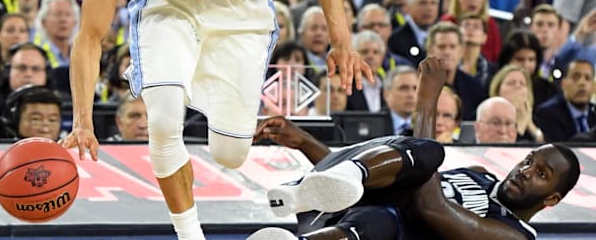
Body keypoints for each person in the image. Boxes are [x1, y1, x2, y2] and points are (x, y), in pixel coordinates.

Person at [60, 0, 372, 240]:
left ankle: (295, 190)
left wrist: (341, 39)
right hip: (166, 11)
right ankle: (189, 234)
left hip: (236, 17)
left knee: (229, 152)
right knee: (162, 118)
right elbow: (89, 36)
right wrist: (83, 121)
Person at [249, 57, 581, 240]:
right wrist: (303, 140)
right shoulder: (479, 175)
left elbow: (431, 206)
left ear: (551, 198)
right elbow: (370, 185)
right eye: (528, 160)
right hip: (336, 208)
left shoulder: (514, 237)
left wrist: (427, 100)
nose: (524, 172)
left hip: (361, 231)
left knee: (391, 210)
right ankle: (308, 191)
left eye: (540, 174)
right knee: (397, 176)